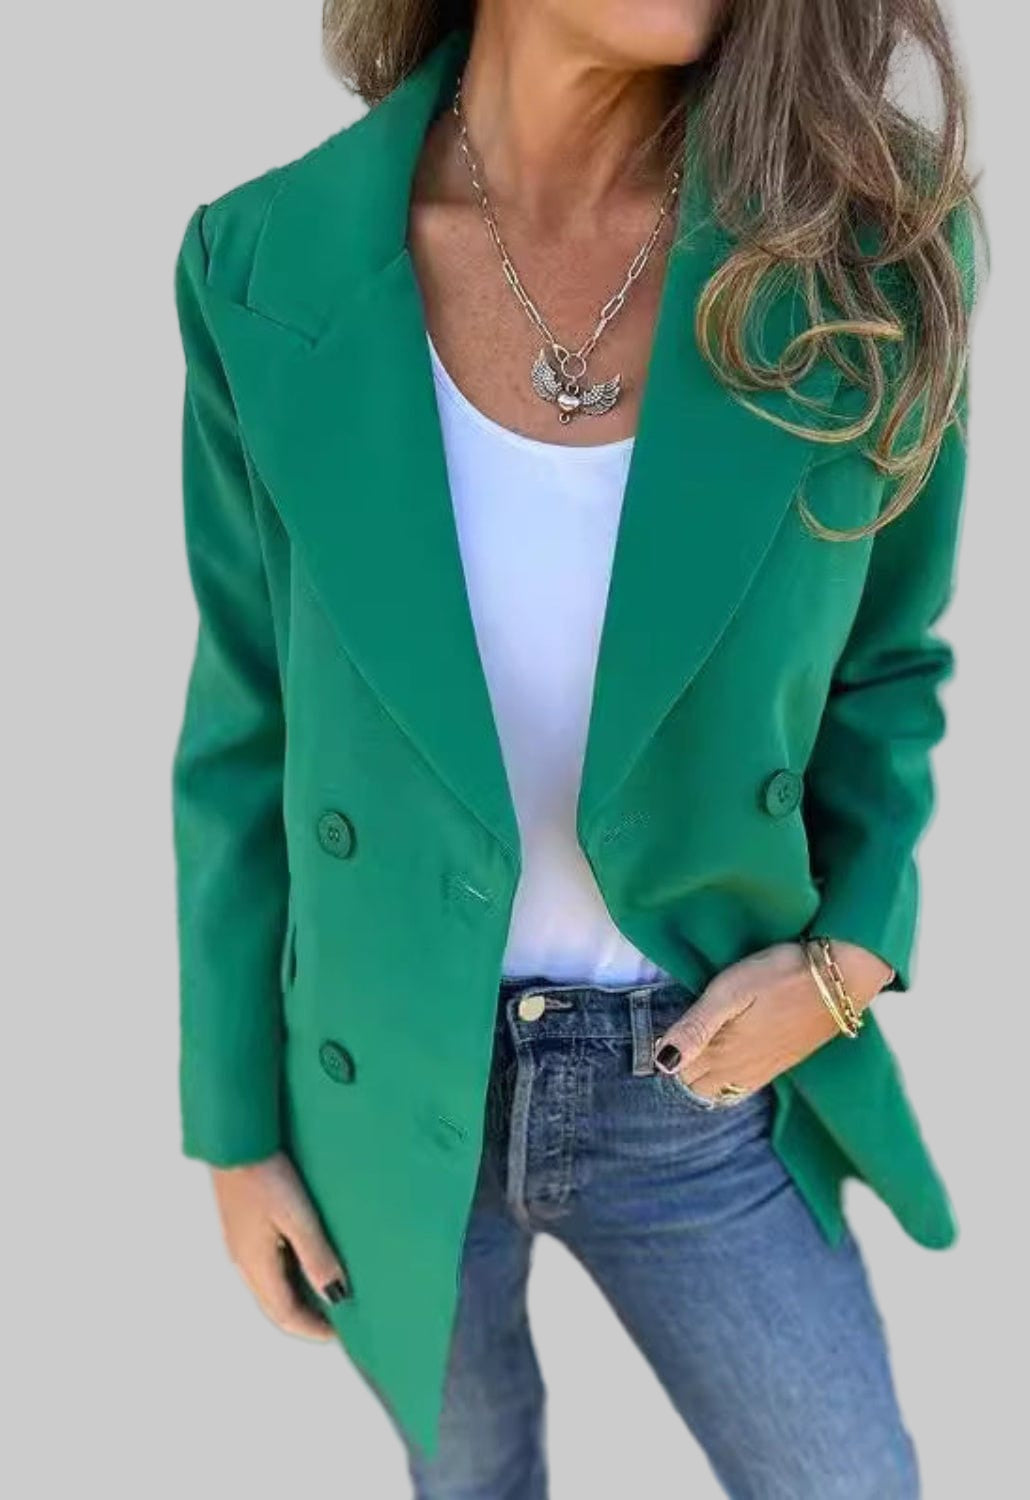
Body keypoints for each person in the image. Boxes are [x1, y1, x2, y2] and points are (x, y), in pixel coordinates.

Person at [171, 3, 984, 1494]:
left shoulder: (857, 256)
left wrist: (851, 958)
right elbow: (244, 724)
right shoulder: (262, 264)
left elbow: (888, 667)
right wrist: (233, 1129)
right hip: (381, 1070)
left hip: (697, 1069)